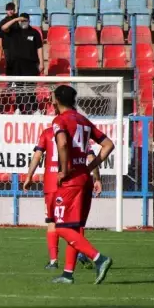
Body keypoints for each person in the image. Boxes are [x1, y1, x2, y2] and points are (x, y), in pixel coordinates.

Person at [49, 85, 115, 285]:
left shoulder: (60, 120)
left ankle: (99, 258)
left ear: (57, 100)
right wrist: (90, 167)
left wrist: (64, 170)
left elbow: (61, 144)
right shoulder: (83, 120)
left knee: (60, 227)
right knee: (75, 228)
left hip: (71, 181)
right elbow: (108, 144)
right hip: (84, 179)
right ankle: (68, 274)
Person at [24, 127, 102, 270]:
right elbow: (90, 157)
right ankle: (79, 251)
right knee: (75, 222)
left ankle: (54, 261)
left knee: (53, 222)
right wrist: (97, 178)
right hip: (72, 184)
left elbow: (37, 155)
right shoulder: (77, 136)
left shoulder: (47, 133)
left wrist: (29, 176)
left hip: (52, 184)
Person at [0, 13, 43, 114]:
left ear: (29, 21)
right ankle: (18, 109)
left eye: (25, 20)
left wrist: (41, 63)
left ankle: (34, 109)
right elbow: (3, 28)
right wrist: (16, 19)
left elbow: (39, 48)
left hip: (31, 64)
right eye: (22, 21)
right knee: (18, 88)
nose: (24, 23)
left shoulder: (34, 32)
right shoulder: (14, 30)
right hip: (16, 65)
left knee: (30, 88)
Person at [0, 3, 18, 76]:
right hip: (7, 46)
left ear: (14, 10)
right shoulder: (3, 21)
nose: (10, 11)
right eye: (8, 9)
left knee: (17, 64)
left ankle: (18, 83)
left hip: (17, 45)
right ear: (6, 10)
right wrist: (1, 47)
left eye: (12, 9)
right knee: (9, 64)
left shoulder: (18, 20)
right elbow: (1, 35)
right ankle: (9, 83)